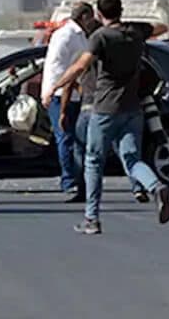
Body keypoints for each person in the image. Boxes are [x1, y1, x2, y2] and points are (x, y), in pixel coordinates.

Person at [45, 0, 169, 235]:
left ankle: (91, 218)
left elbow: (80, 66)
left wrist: (55, 86)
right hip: (132, 108)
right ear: (121, 10)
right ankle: (155, 185)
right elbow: (162, 27)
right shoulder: (135, 32)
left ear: (99, 14)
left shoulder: (100, 37)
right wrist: (136, 26)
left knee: (93, 160)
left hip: (104, 108)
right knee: (132, 159)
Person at [60, 18, 150, 205]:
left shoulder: (86, 57)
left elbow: (70, 83)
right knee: (126, 153)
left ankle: (85, 195)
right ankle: (139, 187)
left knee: (86, 154)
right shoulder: (116, 51)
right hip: (120, 107)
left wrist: (61, 108)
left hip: (92, 108)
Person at [41, 2, 96, 197]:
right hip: (61, 94)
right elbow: (60, 68)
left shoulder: (79, 35)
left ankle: (77, 179)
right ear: (84, 17)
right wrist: (55, 90)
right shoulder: (67, 35)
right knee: (65, 138)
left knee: (75, 139)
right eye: (91, 17)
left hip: (72, 93)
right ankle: (69, 181)